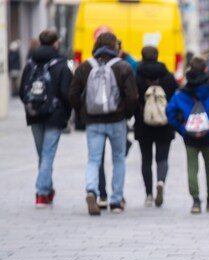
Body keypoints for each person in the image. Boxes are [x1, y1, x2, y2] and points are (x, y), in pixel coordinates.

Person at [69, 32, 138, 215]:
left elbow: (73, 94)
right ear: (115, 46)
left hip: (93, 121)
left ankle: (92, 190)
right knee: (118, 159)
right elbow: (132, 96)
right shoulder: (123, 67)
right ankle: (116, 200)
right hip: (117, 120)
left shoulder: (85, 67)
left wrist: (83, 114)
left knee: (93, 159)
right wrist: (126, 115)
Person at [166, 57, 209, 214]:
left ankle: (195, 201)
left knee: (192, 167)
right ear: (205, 70)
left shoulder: (181, 93)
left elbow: (170, 111)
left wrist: (182, 128)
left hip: (190, 136)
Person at [19, 30, 73, 207]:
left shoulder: (30, 63)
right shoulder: (62, 64)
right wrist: (67, 113)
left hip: (34, 114)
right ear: (56, 43)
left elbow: (22, 91)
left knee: (42, 155)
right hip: (54, 115)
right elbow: (67, 93)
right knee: (48, 155)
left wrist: (32, 106)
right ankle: (41, 193)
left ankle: (48, 189)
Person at [134, 46, 178, 207]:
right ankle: (160, 182)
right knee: (162, 158)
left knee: (146, 159)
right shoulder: (168, 77)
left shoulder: (137, 76)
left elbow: (132, 99)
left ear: (142, 57)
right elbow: (175, 100)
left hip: (143, 123)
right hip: (164, 124)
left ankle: (149, 195)